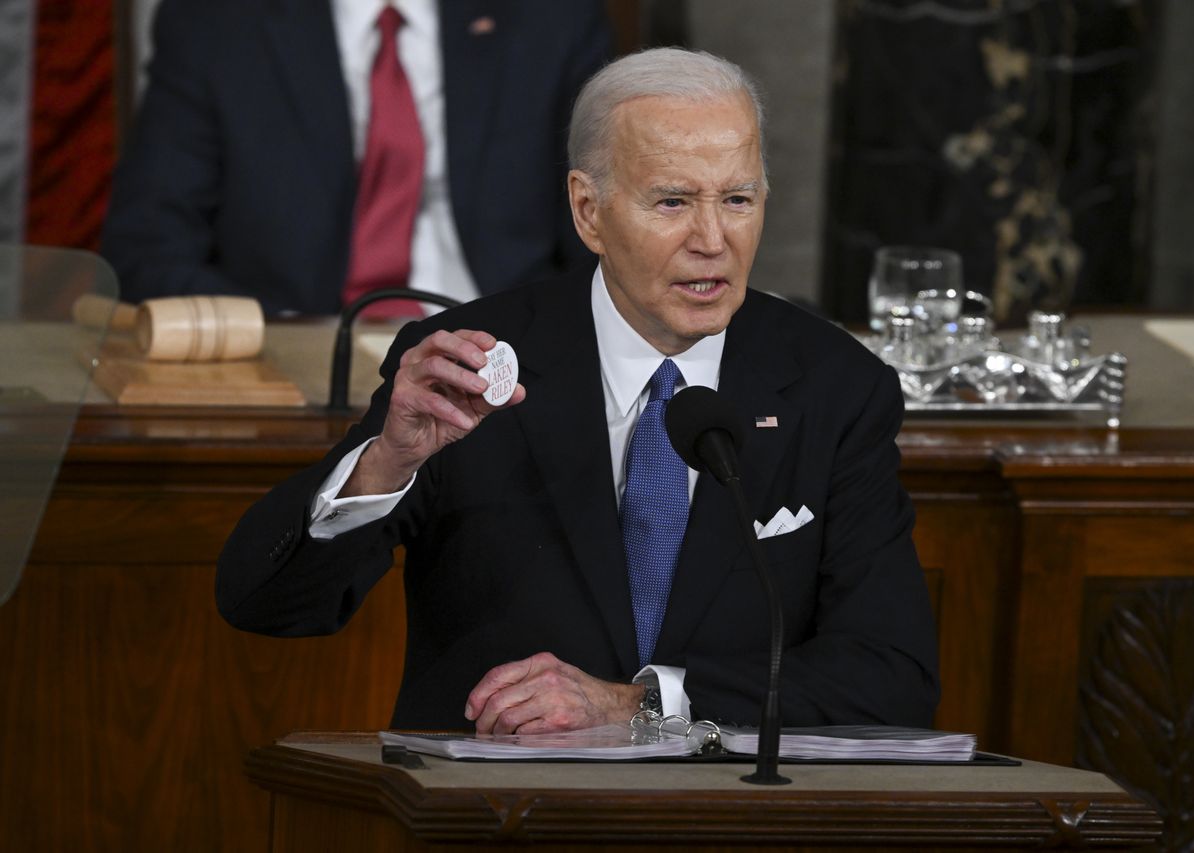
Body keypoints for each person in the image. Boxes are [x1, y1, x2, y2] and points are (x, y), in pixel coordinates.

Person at [216, 47, 940, 733]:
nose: (714, 238)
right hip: (498, 816)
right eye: (672, 202)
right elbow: (267, 605)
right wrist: (386, 463)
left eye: (739, 198)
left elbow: (891, 674)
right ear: (589, 210)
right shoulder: (470, 368)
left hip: (725, 814)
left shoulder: (834, 386)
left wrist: (644, 703)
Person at [101, 0, 610, 316]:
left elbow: (606, 233)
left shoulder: (551, 15)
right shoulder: (217, 21)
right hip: (299, 364)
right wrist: (276, 332)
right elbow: (148, 245)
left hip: (506, 363)